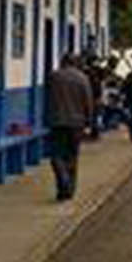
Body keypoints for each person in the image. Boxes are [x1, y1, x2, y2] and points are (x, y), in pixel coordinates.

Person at [45, 54, 93, 201]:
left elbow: (47, 98)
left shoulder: (53, 77)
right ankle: (69, 189)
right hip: (77, 123)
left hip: (57, 122)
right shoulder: (83, 78)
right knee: (72, 156)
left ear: (62, 62)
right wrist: (89, 122)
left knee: (56, 155)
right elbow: (88, 101)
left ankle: (62, 184)